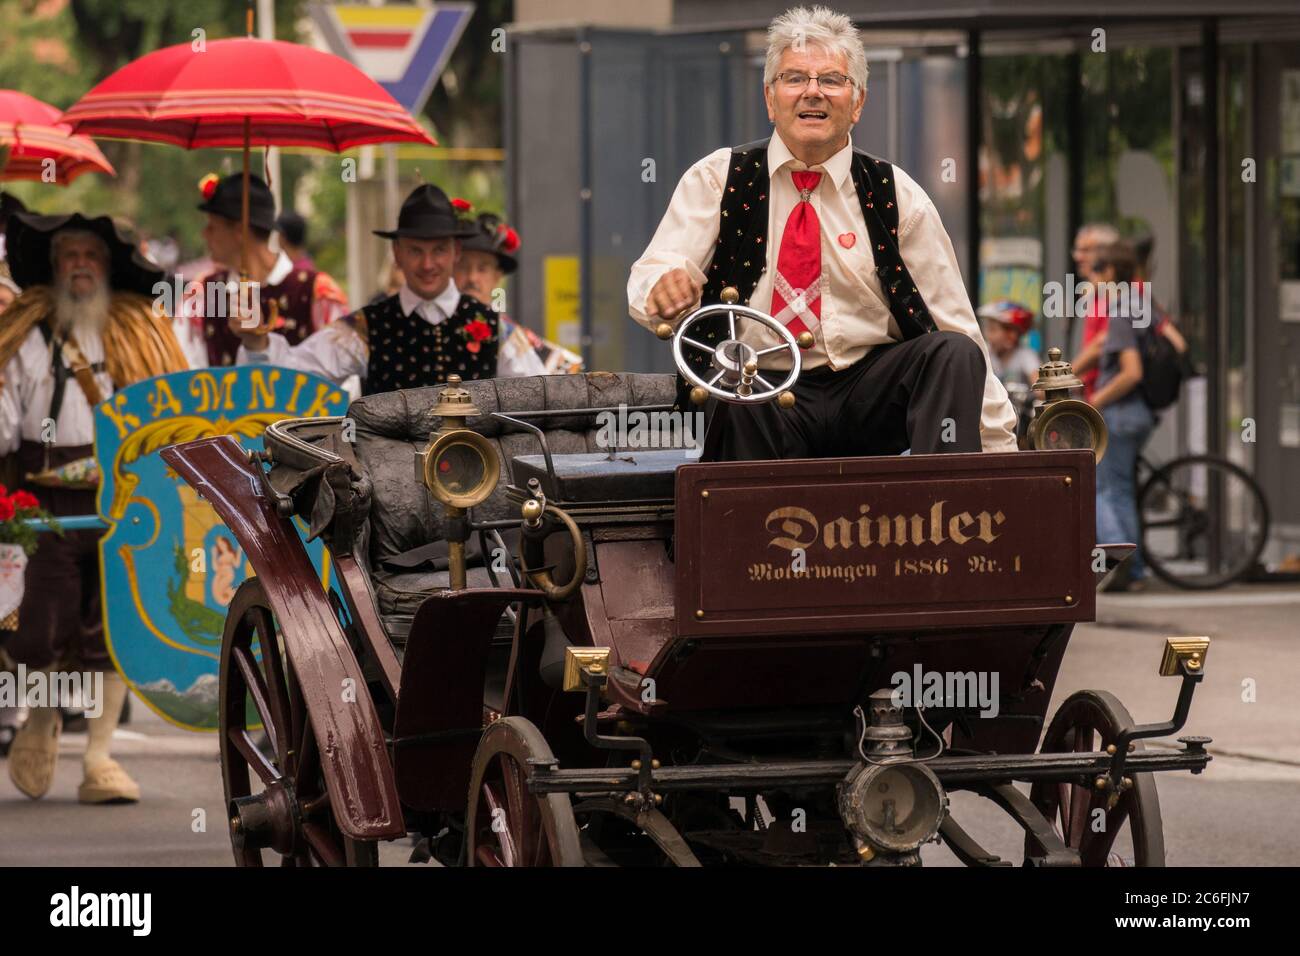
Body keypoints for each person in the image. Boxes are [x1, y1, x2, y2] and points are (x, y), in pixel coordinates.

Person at [628, 5, 1016, 461]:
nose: (813, 93)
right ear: (770, 100)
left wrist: (1004, 455)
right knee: (732, 385)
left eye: (831, 80)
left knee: (953, 353)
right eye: (795, 79)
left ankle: (948, 513)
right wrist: (663, 288)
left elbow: (957, 325)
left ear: (859, 102)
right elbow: (655, 270)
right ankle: (744, 530)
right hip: (760, 395)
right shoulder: (718, 178)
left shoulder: (897, 193)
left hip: (869, 398)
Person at [0, 211, 189, 802]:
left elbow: (168, 413)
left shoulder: (139, 329)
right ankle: (42, 717)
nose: (80, 264)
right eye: (69, 255)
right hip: (41, 496)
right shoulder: (24, 332)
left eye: (91, 255)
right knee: (37, 626)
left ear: (107, 267)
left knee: (112, 628)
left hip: (122, 495)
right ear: (54, 267)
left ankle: (101, 759)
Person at [232, 183, 501, 393]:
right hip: (390, 465)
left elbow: (538, 395)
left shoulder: (496, 326)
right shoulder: (366, 326)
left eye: (439, 250)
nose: (427, 264)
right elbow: (293, 375)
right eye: (415, 251)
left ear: (456, 252)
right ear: (397, 253)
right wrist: (257, 341)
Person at [174, 173, 348, 368]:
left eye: (213, 227)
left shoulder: (318, 292)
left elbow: (343, 377)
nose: (204, 234)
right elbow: (182, 371)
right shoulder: (202, 291)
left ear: (240, 232)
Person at [1088, 240, 1153, 592]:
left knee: (1106, 490)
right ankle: (1134, 568)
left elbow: (1132, 371)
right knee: (1122, 490)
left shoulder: (1122, 311)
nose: (1092, 279)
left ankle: (1123, 566)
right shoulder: (1144, 305)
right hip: (1141, 413)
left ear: (1111, 272)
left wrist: (1095, 400)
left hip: (1121, 414)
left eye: (1097, 270)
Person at [454, 206, 583, 375]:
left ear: (497, 277)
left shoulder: (507, 335)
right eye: (463, 266)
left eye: (482, 269)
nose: (472, 277)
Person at [1069, 222, 1120, 401]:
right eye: (1077, 249)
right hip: (1096, 397)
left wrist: (1062, 379)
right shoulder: (1094, 291)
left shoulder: (1122, 288)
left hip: (1112, 401)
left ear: (1107, 252)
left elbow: (1102, 343)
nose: (1078, 256)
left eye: (1086, 250)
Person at [976, 300, 1039, 387]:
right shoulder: (985, 352)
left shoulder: (1025, 355)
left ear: (1011, 336)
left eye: (992, 330)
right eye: (987, 329)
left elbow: (1039, 386)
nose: (988, 335)